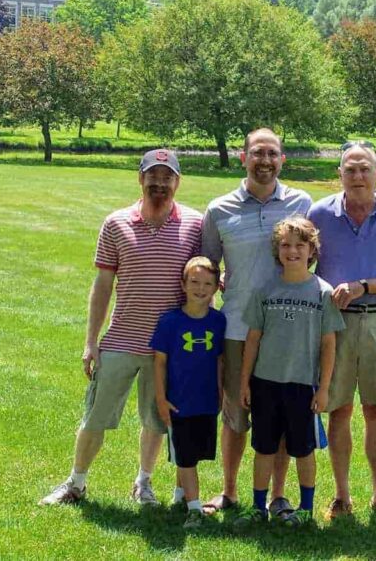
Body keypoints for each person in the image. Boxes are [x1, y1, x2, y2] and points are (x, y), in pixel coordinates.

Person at [39, 149, 203, 507]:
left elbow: (205, 278)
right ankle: (76, 483)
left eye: (167, 177)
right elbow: (102, 286)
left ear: (178, 181)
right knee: (96, 416)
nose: (159, 184)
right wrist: (90, 342)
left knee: (157, 420)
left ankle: (143, 483)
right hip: (121, 340)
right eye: (152, 176)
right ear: (140, 178)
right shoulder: (116, 223)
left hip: (168, 348)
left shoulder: (195, 224)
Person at [200, 128, 312, 517]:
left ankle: (278, 495)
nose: (265, 161)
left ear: (282, 160)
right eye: (258, 153)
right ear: (243, 157)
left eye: (273, 154)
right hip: (235, 327)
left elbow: (310, 261)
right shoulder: (219, 209)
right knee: (234, 413)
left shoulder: (301, 202)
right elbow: (209, 270)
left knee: (279, 416)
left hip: (287, 330)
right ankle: (229, 492)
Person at [308, 142, 376, 522]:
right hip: (333, 324)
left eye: (364, 169)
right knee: (337, 409)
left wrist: (363, 286)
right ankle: (341, 497)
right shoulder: (319, 214)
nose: (357, 176)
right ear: (339, 174)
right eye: (350, 169)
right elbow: (301, 266)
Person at [233, 217, 342, 528]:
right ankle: (257, 507)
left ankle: (305, 510)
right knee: (264, 447)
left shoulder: (323, 292)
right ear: (276, 250)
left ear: (312, 250)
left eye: (299, 245)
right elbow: (252, 339)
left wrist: (323, 388)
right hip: (265, 383)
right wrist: (245, 382)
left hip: (302, 386)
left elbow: (328, 343)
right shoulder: (265, 289)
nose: (292, 251)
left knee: (303, 450)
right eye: (285, 245)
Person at [150, 257, 227, 528]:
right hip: (178, 402)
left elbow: (219, 360)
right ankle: (195, 509)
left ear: (217, 288)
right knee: (184, 456)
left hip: (206, 401)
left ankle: (181, 495)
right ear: (183, 284)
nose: (200, 288)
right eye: (194, 281)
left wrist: (220, 393)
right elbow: (159, 362)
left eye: (207, 283)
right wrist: (161, 398)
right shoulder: (170, 322)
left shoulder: (219, 322)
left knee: (193, 453)